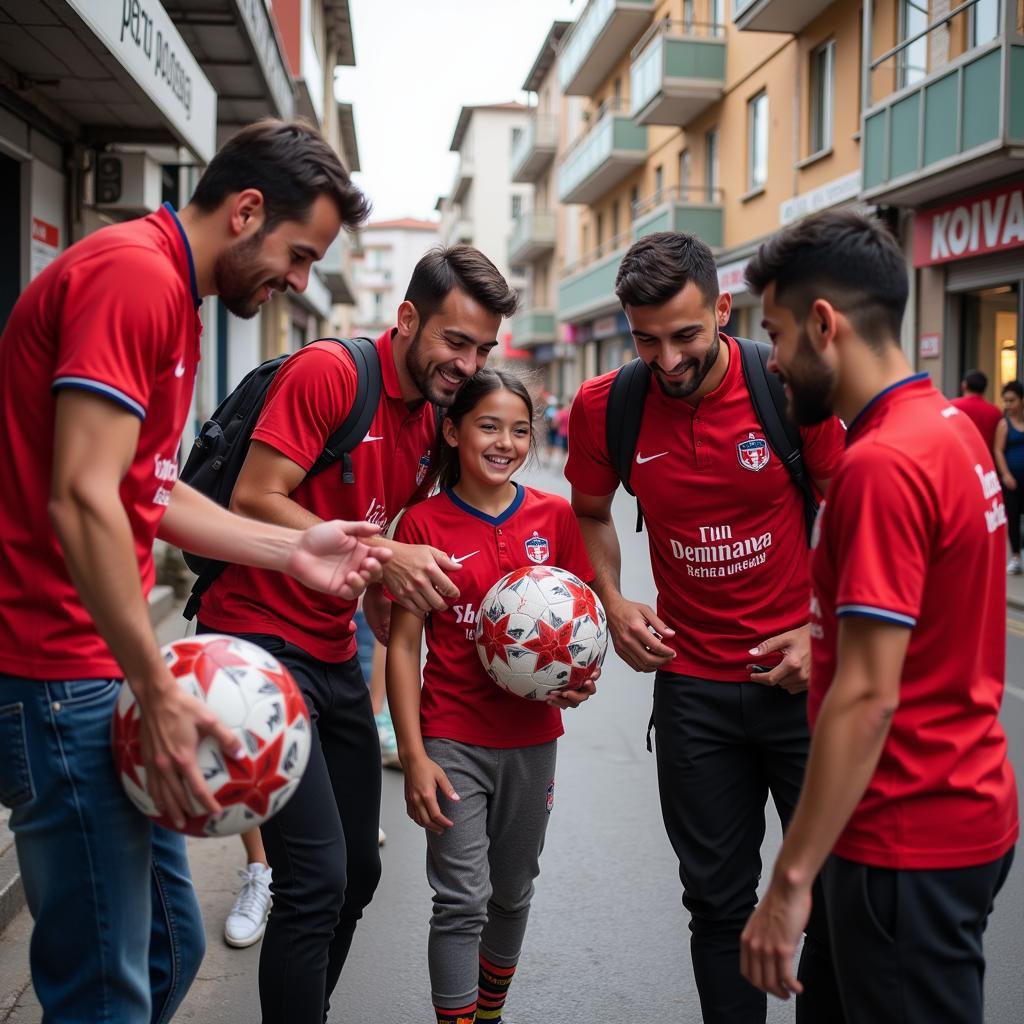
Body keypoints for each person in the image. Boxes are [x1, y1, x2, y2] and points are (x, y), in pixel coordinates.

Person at [0, 118, 388, 1024]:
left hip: (101, 672)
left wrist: (293, 547)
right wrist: (156, 683)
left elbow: (147, 495)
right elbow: (84, 498)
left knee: (168, 951)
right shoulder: (133, 276)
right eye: (298, 255)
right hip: (62, 677)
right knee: (105, 994)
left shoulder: (173, 295)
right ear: (247, 210)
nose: (299, 281)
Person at [194, 246, 518, 1024]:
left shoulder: (436, 416)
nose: (467, 363)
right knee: (314, 879)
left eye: (482, 349)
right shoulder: (332, 373)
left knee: (360, 873)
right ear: (407, 318)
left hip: (334, 651)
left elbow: (390, 536)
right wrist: (386, 555)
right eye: (454, 341)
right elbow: (255, 495)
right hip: (254, 649)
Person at [740, 210, 1018, 1023]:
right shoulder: (949, 431)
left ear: (824, 326)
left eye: (778, 333)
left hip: (906, 833)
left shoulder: (881, 466)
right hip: (961, 805)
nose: (773, 362)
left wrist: (789, 885)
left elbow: (866, 697)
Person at [564, 231, 847, 1023]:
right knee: (717, 906)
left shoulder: (789, 388)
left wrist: (819, 632)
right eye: (644, 339)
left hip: (799, 685)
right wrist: (614, 601)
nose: (667, 360)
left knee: (830, 892)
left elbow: (850, 512)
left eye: (686, 335)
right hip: (694, 694)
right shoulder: (606, 406)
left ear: (724, 309)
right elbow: (591, 512)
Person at [385, 368, 599, 1024]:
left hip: (533, 741)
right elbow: (402, 646)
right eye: (488, 425)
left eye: (519, 429)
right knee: (460, 901)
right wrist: (415, 754)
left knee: (511, 892)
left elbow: (580, 623)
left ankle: (489, 1014)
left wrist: (577, 678)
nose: (505, 441)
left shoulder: (553, 517)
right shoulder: (420, 525)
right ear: (452, 431)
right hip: (452, 737)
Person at [994, 380, 1024, 574]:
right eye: (1005, 401)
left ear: (1021, 400)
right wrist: (1005, 475)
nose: (1007, 406)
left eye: (1011, 401)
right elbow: (998, 450)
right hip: (1012, 481)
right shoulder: (1004, 424)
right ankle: (1015, 557)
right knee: (1013, 518)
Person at [951, 369, 1002, 451]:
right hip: (986, 460)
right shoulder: (996, 412)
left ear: (964, 385)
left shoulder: (952, 407)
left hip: (960, 458)